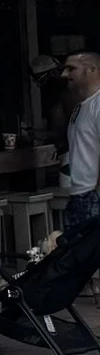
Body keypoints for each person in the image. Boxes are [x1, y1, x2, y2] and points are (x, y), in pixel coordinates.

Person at [60, 51, 100, 237]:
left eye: (71, 69)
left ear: (91, 70)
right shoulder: (81, 106)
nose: (64, 74)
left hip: (92, 195)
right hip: (78, 194)